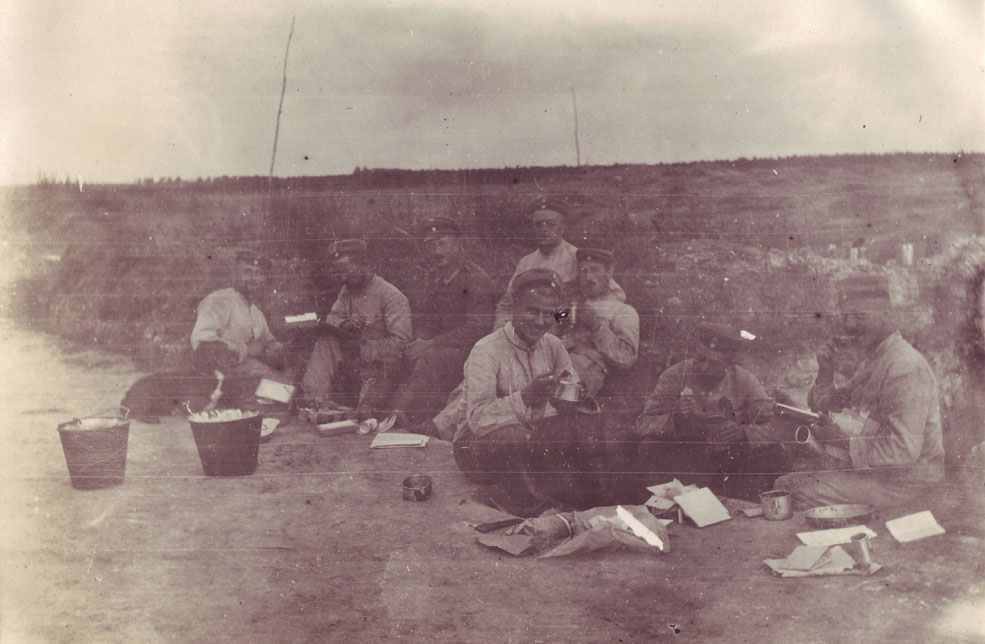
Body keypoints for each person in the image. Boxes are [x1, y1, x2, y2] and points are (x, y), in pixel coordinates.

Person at [774, 275, 944, 509]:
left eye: (859, 316)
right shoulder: (876, 359)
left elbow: (902, 453)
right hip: (881, 474)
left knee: (792, 490)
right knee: (788, 479)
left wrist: (841, 441)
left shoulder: (904, 367)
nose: (849, 325)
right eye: (846, 316)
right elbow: (829, 406)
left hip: (907, 483)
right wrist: (825, 371)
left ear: (887, 315)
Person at [452, 269, 602, 513]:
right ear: (514, 307)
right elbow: (478, 419)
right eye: (532, 311)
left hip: (534, 436)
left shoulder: (553, 345)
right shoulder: (487, 350)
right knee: (517, 439)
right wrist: (525, 397)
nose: (540, 321)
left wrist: (575, 396)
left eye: (548, 314)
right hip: (476, 447)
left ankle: (569, 494)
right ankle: (525, 503)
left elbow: (569, 393)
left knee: (588, 429)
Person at [632, 323, 777, 494]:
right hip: (686, 458)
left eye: (714, 363)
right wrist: (676, 420)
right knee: (649, 446)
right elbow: (642, 423)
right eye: (701, 358)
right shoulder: (675, 376)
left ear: (729, 364)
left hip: (728, 461)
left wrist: (744, 433)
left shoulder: (744, 380)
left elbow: (774, 424)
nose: (704, 367)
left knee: (773, 454)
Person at [391, 216, 497, 425]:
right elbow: (429, 320)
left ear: (458, 244)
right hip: (442, 348)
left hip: (472, 351)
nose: (436, 252)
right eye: (431, 246)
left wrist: (430, 343)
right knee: (404, 349)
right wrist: (418, 341)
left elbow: (478, 329)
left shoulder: (476, 279)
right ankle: (387, 410)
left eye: (442, 244)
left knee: (431, 355)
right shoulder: (435, 277)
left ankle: (399, 413)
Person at [300, 239, 412, 416]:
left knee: (362, 418)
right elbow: (332, 318)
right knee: (327, 341)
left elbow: (401, 344)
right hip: (352, 361)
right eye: (338, 273)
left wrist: (362, 350)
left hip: (379, 366)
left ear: (364, 265)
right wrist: (345, 324)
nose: (342, 277)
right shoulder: (347, 291)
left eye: (346, 270)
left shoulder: (391, 297)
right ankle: (313, 401)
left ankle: (362, 413)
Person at [493, 198, 625, 329]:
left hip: (562, 328)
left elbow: (615, 294)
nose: (543, 229)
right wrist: (501, 329)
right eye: (538, 224)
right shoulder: (526, 262)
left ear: (563, 227)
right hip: (529, 328)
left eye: (550, 224)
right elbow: (507, 303)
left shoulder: (577, 257)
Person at [190, 249, 292, 403]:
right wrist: (247, 350)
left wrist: (277, 347)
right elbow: (204, 347)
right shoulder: (219, 301)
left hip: (251, 374)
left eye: (258, 273)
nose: (254, 278)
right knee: (283, 394)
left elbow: (269, 342)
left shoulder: (256, 312)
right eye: (247, 272)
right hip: (223, 378)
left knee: (287, 389)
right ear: (234, 274)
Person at [557, 246, 639, 395]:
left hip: (587, 369)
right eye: (583, 271)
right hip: (557, 358)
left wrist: (596, 325)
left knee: (560, 391)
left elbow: (627, 358)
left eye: (595, 270)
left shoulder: (623, 311)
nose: (588, 277)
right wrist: (560, 316)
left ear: (609, 273)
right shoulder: (573, 304)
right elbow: (552, 326)